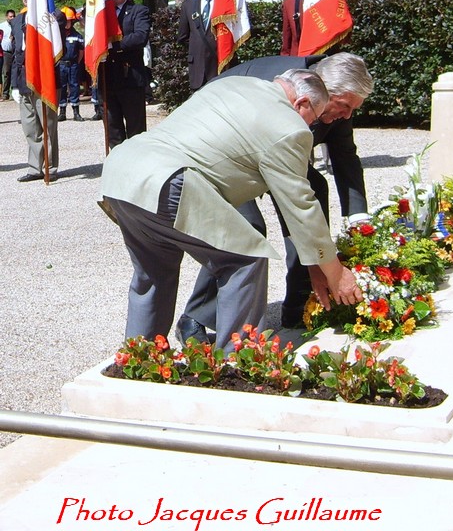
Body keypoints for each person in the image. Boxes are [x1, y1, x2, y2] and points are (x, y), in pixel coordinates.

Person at [100, 69, 362, 354]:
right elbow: (301, 206)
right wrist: (336, 273)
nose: (309, 128)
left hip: (121, 173)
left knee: (153, 274)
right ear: (302, 104)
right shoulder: (290, 126)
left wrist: (314, 264)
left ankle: (138, 363)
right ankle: (239, 365)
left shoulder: (235, 84)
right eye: (313, 120)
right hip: (169, 179)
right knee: (247, 259)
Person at [176, 52, 373, 343]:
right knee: (246, 228)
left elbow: (345, 158)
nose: (347, 116)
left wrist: (359, 219)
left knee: (314, 192)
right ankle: (195, 316)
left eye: (352, 109)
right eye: (344, 106)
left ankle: (300, 305)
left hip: (275, 153)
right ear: (321, 91)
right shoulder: (277, 86)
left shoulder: (339, 99)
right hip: (226, 155)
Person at [10, 0, 65, 183]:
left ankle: (51, 167)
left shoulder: (54, 16)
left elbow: (59, 51)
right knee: (30, 127)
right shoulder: (17, 21)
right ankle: (35, 168)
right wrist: (15, 85)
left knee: (48, 126)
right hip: (25, 81)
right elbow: (17, 54)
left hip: (45, 80)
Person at [100, 0, 151, 148]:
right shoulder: (101, 14)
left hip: (131, 76)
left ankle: (138, 166)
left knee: (135, 129)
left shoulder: (138, 10)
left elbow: (140, 36)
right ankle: (117, 164)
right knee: (112, 128)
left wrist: (114, 45)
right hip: (108, 76)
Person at [177, 0, 218, 91]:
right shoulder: (188, 5)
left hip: (220, 68)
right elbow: (183, 37)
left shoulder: (225, 4)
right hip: (197, 70)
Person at [57, 6, 85, 122]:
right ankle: (62, 112)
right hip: (61, 65)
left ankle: (76, 112)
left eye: (69, 21)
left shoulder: (77, 35)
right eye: (65, 21)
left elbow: (81, 52)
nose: (67, 23)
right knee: (62, 87)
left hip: (73, 65)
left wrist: (75, 63)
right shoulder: (58, 35)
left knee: (74, 86)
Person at [0, 9, 15, 100]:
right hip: (6, 53)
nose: (12, 18)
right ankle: (5, 93)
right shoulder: (1, 26)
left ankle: (16, 92)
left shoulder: (16, 25)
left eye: (13, 16)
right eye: (10, 16)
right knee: (6, 72)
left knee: (16, 72)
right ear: (7, 17)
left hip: (15, 52)